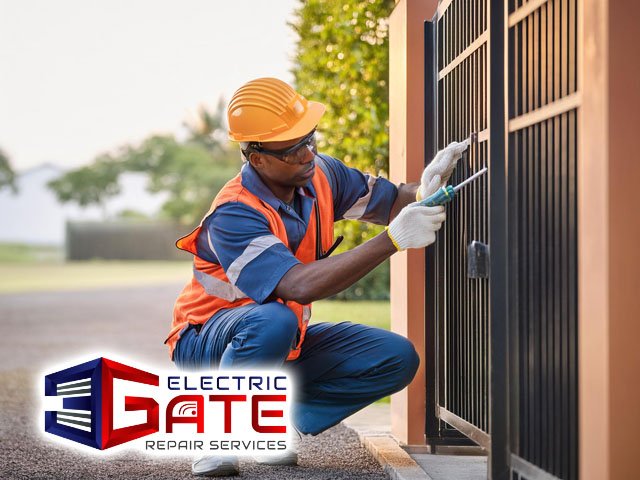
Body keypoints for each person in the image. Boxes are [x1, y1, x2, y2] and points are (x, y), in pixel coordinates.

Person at [165, 77, 469, 477]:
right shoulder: (234, 213)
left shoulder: (320, 174)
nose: (308, 153)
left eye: (311, 139)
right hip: (205, 345)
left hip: (279, 341)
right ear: (257, 158)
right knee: (275, 318)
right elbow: (297, 285)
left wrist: (424, 187)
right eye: (293, 149)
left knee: (396, 358)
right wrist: (391, 241)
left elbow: (392, 201)